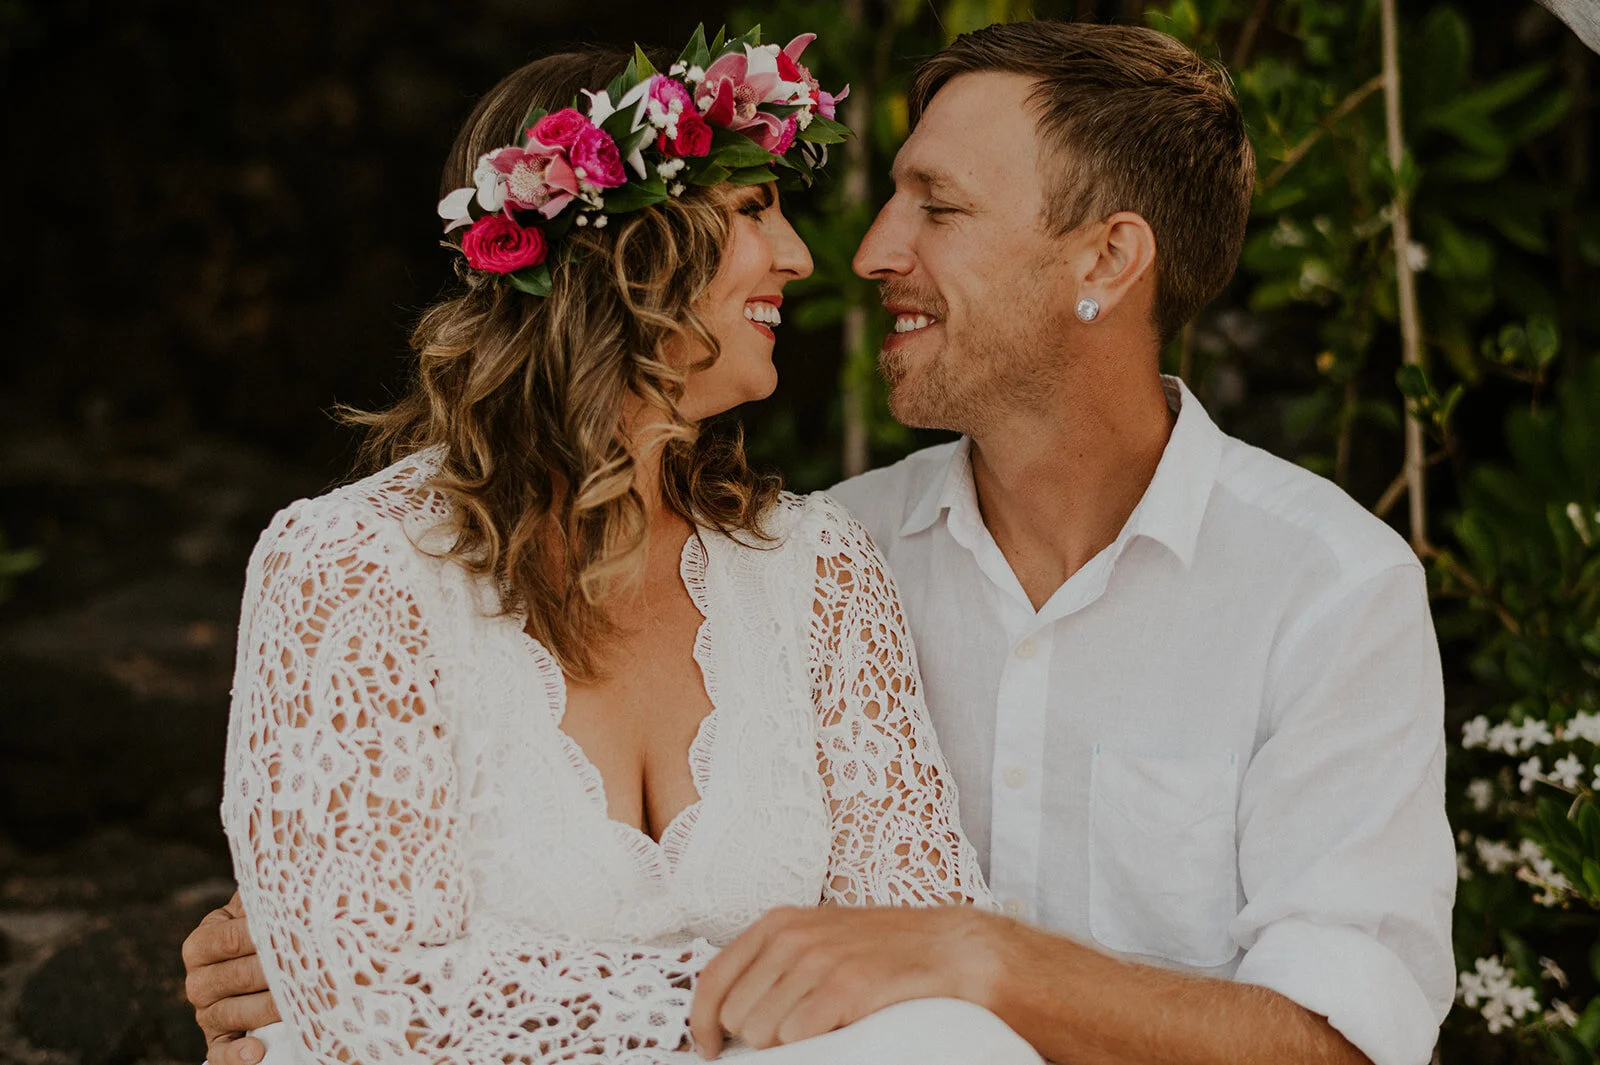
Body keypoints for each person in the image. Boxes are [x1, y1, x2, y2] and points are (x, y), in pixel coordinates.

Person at [188, 19, 1457, 1065]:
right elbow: (375, 981)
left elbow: (1341, 1044)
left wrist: (977, 963)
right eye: (760, 206)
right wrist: (325, 964)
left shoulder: (1321, 590)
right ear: (621, 251)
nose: (850, 256)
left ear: (1106, 259)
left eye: (937, 206)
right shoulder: (840, 545)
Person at [192, 31, 1044, 1065]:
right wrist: (754, 993)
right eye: (750, 209)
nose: (799, 258)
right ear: (624, 245)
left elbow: (923, 945)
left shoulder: (816, 569)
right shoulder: (353, 568)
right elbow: (378, 1002)